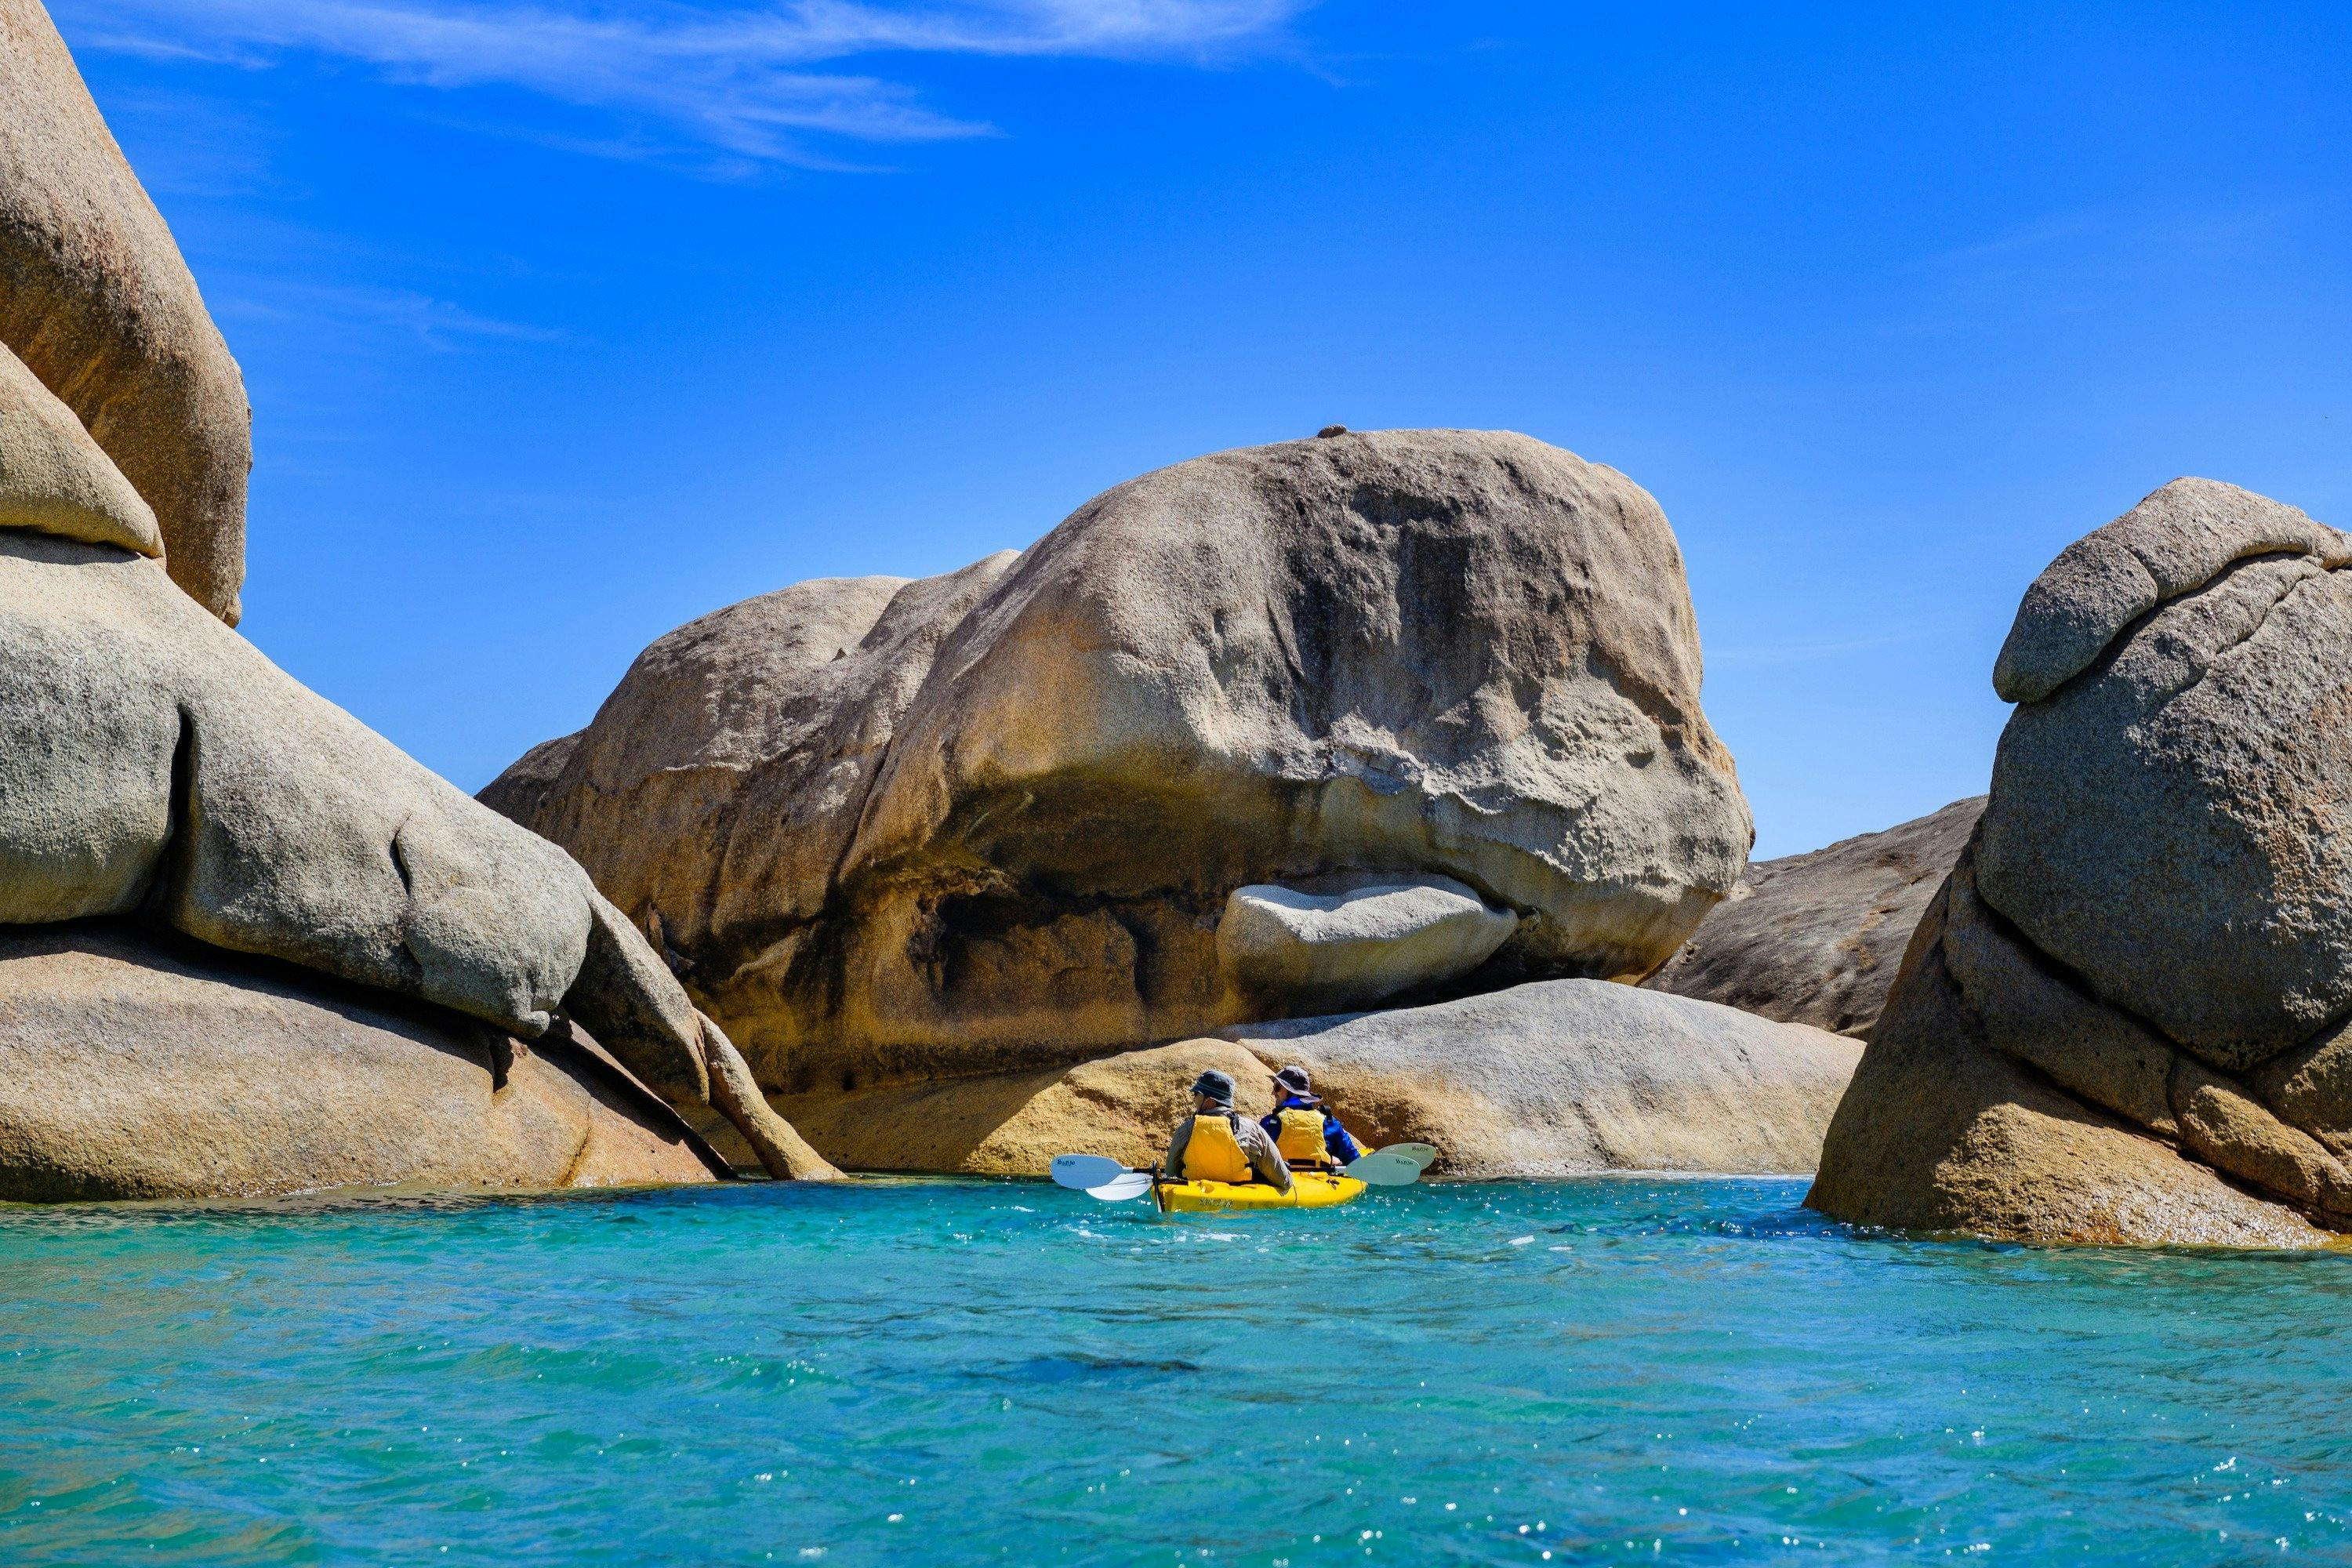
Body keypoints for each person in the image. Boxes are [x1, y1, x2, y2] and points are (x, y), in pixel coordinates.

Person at [1163, 1070, 1291, 1192]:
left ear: (1209, 1100)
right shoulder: (1251, 1129)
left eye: (1196, 1094)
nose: (1194, 1099)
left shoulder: (1185, 1130)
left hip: (1193, 1201)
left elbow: (1171, 1174)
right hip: (1241, 1206)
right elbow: (1284, 1180)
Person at [1259, 1066, 1367, 1172]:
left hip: (1281, 1184)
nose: (1273, 1093)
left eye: (1277, 1087)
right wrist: (1335, 1161)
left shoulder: (1270, 1123)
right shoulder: (1329, 1123)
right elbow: (1354, 1160)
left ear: (1290, 1091)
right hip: (1321, 1184)